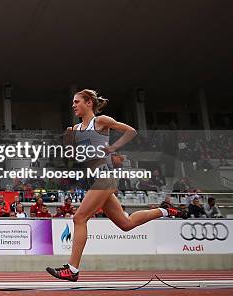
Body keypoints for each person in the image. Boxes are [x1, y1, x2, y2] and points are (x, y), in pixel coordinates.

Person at [47, 89, 183, 282]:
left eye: (77, 102)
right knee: (125, 224)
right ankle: (165, 211)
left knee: (79, 218)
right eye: (73, 103)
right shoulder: (76, 129)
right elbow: (76, 156)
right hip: (94, 178)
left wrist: (113, 148)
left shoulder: (100, 121)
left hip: (106, 177)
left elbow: (131, 131)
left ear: (89, 103)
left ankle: (72, 269)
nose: (73, 105)